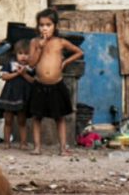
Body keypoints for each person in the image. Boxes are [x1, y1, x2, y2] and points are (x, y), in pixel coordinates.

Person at [27, 8, 83, 156]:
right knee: (37, 117)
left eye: (48, 25)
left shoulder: (60, 42)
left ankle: (63, 148)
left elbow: (79, 52)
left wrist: (65, 62)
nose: (44, 28)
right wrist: (39, 47)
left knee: (60, 118)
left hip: (56, 85)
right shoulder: (34, 42)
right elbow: (31, 63)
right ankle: (37, 147)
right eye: (41, 25)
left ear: (55, 26)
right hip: (39, 85)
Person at [0, 38, 34, 149]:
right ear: (15, 54)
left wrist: (24, 74)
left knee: (22, 121)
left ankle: (23, 143)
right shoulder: (10, 64)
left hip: (22, 97)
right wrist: (17, 74)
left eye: (27, 54)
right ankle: (6, 142)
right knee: (8, 120)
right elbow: (4, 77)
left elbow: (33, 81)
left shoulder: (31, 67)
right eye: (20, 53)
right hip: (10, 95)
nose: (23, 56)